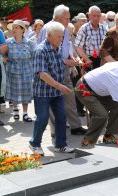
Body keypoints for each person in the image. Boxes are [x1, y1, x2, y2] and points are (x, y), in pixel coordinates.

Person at [38, 4, 87, 136]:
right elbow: (45, 52)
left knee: (69, 97)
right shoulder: (48, 29)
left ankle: (75, 126)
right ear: (58, 18)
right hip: (51, 70)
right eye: (67, 18)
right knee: (53, 98)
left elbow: (64, 48)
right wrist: (66, 61)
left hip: (64, 68)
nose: (69, 21)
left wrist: (71, 58)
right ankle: (55, 131)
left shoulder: (64, 29)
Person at [30, 22, 75, 155]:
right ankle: (34, 144)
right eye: (58, 37)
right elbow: (42, 74)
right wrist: (60, 86)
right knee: (42, 118)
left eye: (62, 37)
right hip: (42, 92)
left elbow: (59, 65)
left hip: (56, 91)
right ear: (49, 35)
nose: (61, 40)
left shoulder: (58, 48)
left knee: (61, 117)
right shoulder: (40, 50)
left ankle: (60, 145)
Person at [4, 20, 35, 122]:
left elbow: (34, 56)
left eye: (17, 27)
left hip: (26, 71)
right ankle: (16, 110)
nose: (14, 29)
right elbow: (4, 55)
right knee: (14, 91)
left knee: (26, 91)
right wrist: (5, 58)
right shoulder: (8, 42)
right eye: (13, 27)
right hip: (13, 70)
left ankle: (25, 113)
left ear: (22, 30)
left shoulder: (30, 43)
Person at [75, 5, 107, 71]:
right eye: (94, 15)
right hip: (89, 61)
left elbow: (107, 46)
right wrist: (87, 59)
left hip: (102, 60)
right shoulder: (84, 29)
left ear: (100, 16)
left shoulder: (104, 29)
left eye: (98, 16)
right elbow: (78, 47)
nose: (96, 18)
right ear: (89, 16)